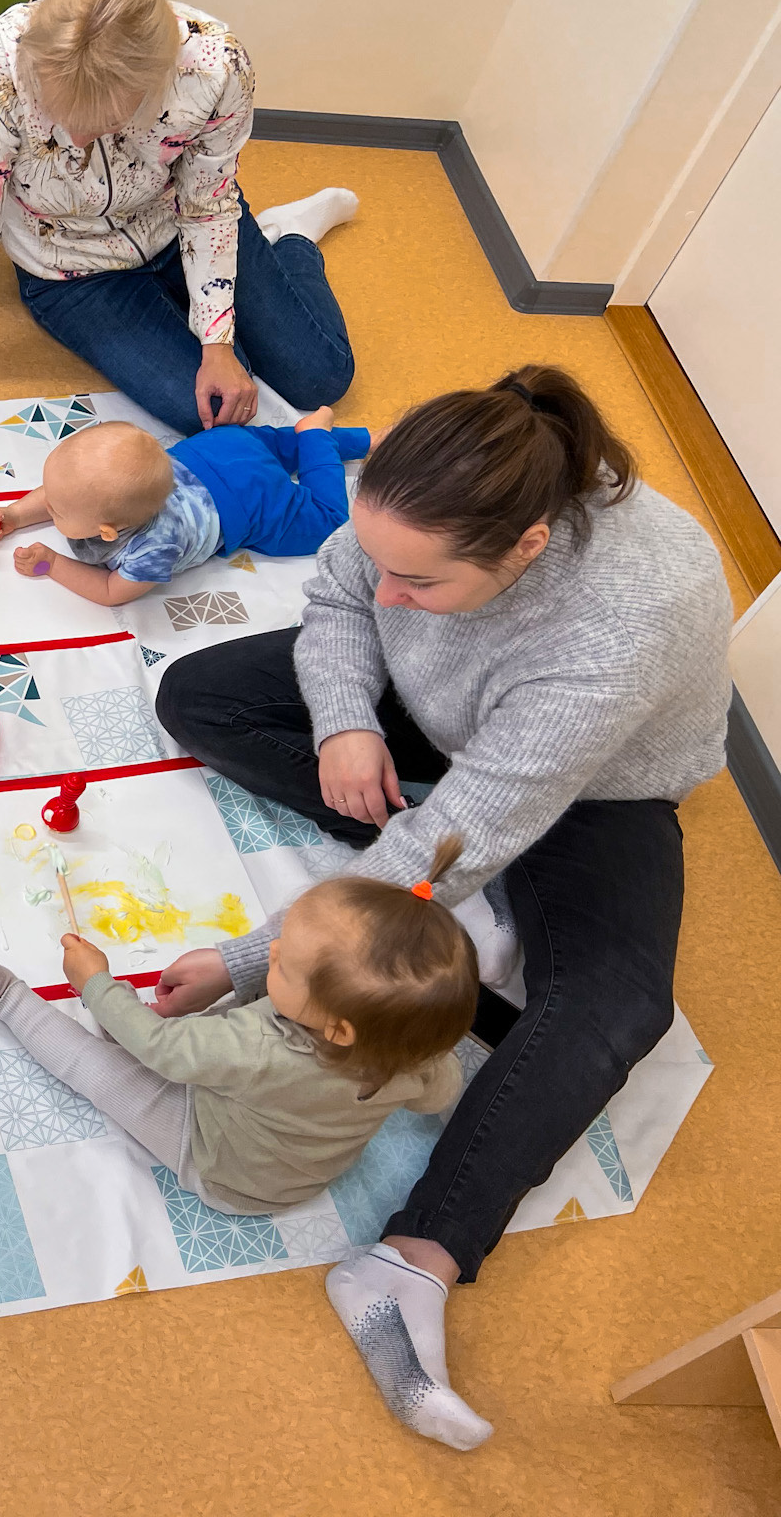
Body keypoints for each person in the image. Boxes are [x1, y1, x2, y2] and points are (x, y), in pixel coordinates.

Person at [149, 364, 733, 1450]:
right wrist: (342, 725)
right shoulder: (423, 503)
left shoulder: (621, 627)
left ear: (520, 552)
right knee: (194, 694)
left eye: (415, 582)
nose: (384, 594)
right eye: (381, 559)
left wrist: (253, 959)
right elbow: (335, 596)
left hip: (595, 786)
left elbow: (454, 834)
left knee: (614, 1005)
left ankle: (413, 1259)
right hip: (455, 736)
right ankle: (439, 887)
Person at [0, 0, 359, 437]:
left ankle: (289, 239)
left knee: (322, 379)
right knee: (220, 415)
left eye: (106, 123)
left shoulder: (216, 66)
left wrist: (216, 342)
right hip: (72, 269)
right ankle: (269, 255)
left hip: (180, 226)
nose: (80, 139)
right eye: (64, 119)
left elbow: (206, 205)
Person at [0, 834, 474, 1216]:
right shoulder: (417, 1055)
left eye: (284, 964)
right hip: (278, 1144)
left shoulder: (258, 1048)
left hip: (224, 1170)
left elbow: (159, 1048)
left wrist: (95, 983)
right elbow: (438, 1093)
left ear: (338, 1028)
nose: (272, 949)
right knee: (157, 1039)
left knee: (102, 1072)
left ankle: (6, 999)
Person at [0, 405, 369, 607]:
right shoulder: (105, 497)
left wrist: (52, 564)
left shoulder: (153, 550)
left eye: (54, 512)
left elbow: (108, 591)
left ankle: (318, 435)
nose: (47, 506)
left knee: (327, 521)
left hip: (249, 499)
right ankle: (366, 440)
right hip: (220, 446)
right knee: (278, 445)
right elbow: (62, 492)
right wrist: (16, 514)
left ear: (106, 532)